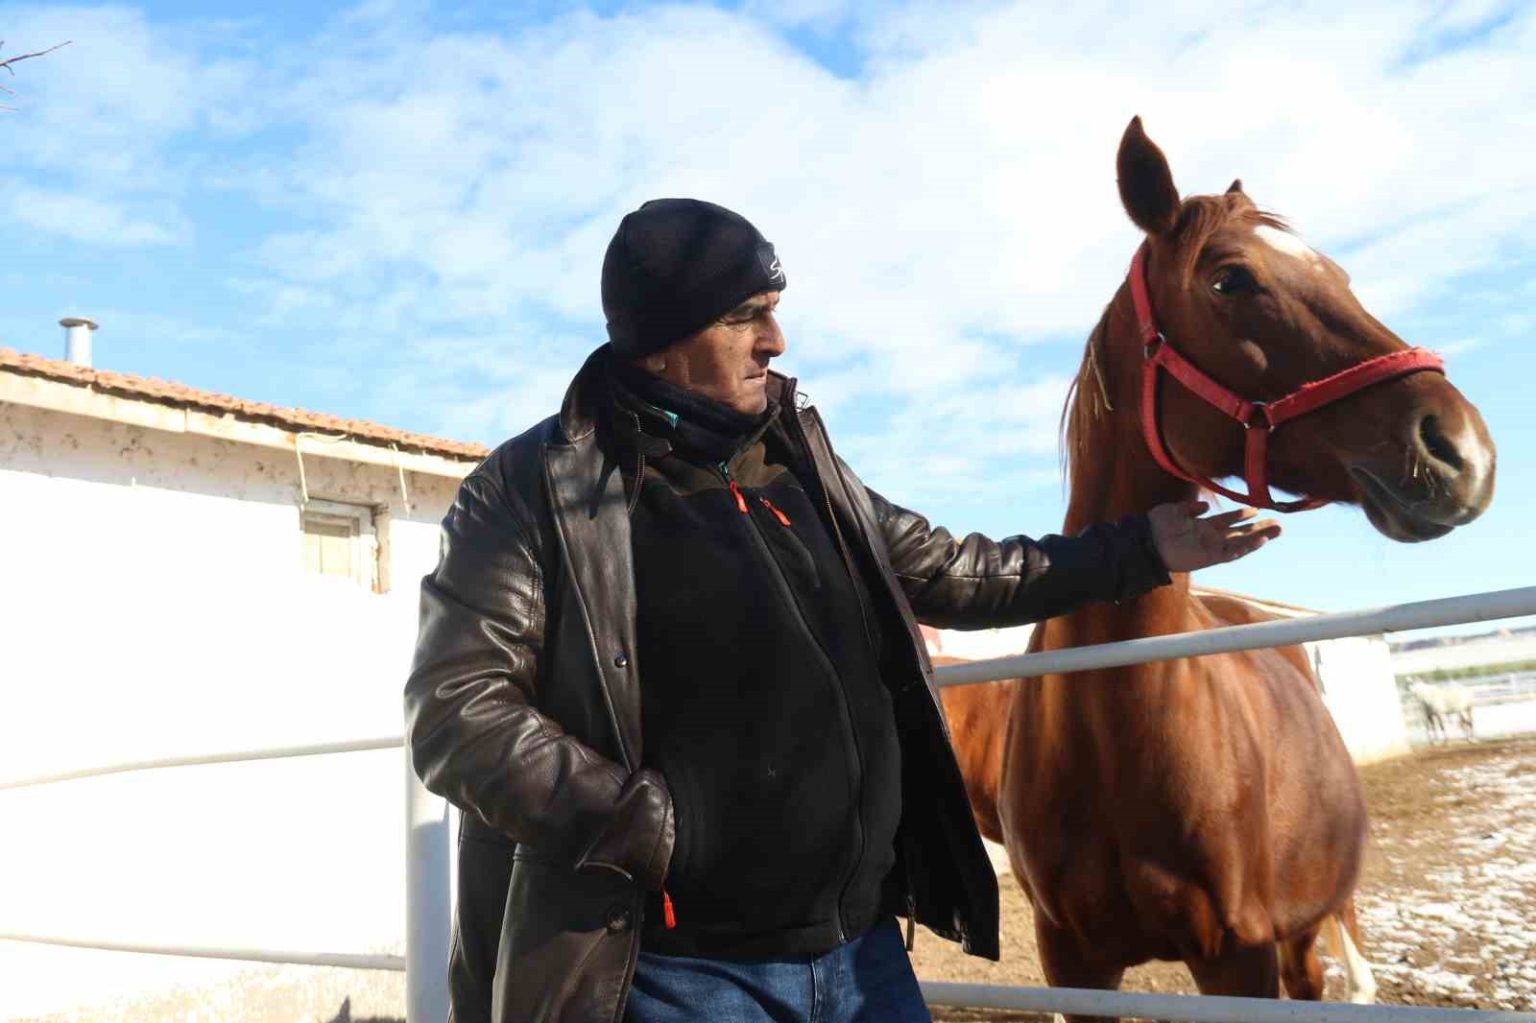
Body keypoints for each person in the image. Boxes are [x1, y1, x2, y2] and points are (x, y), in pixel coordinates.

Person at [404, 199, 1280, 1023]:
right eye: (744, 315)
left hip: (862, 953)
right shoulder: (533, 488)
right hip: (682, 972)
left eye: (774, 310)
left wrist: (1142, 548)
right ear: (662, 344)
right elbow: (457, 713)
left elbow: (955, 571)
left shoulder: (799, 461)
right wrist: (652, 827)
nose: (776, 340)